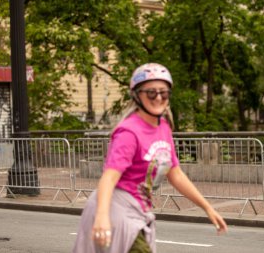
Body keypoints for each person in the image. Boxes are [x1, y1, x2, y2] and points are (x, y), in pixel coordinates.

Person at [73, 63, 227, 253]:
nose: (159, 97)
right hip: (116, 209)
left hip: (138, 211)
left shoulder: (163, 128)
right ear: (137, 94)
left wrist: (208, 208)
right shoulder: (129, 132)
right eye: (151, 93)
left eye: (164, 92)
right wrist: (102, 216)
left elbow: (175, 174)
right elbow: (109, 177)